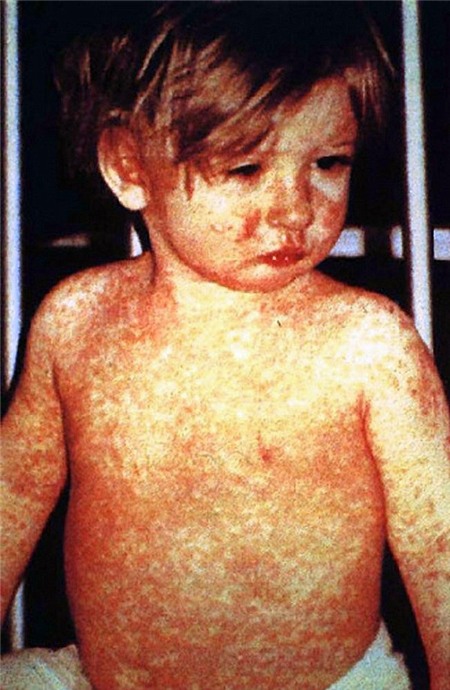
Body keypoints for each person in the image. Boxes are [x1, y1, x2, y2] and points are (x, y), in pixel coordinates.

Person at [1, 2, 449, 689]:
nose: (295, 208)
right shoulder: (78, 320)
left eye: (329, 162)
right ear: (129, 166)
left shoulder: (367, 345)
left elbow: (440, 544)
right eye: (245, 169)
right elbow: (13, 492)